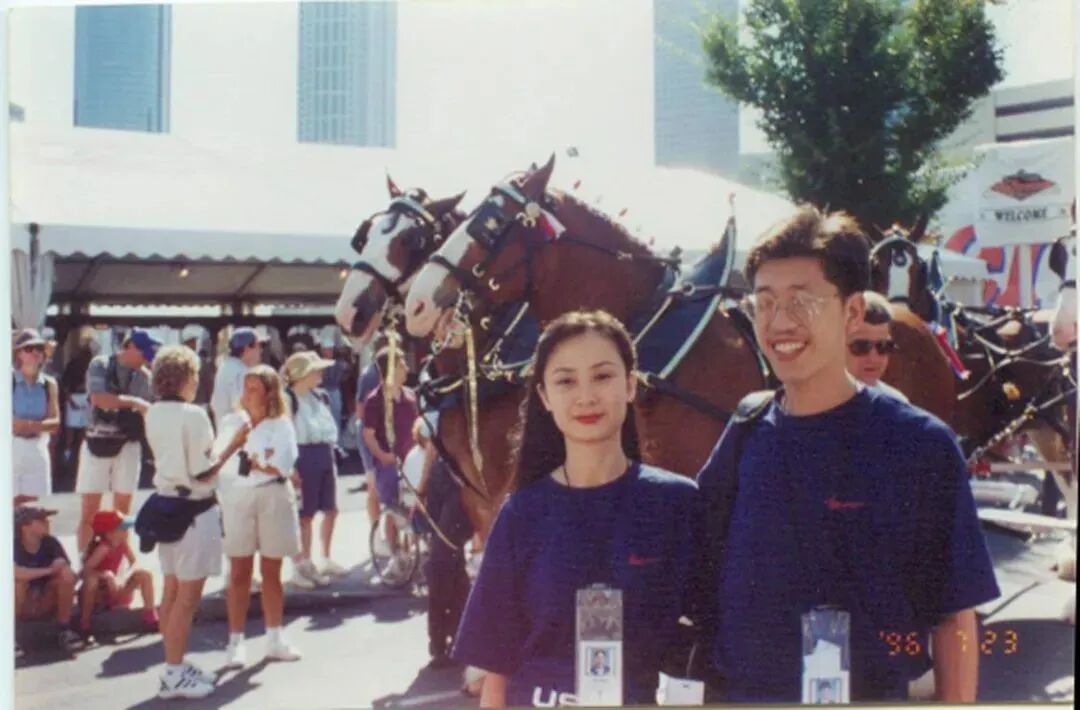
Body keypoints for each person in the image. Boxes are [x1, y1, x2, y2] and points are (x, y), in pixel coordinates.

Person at [696, 206, 999, 702]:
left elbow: (954, 616)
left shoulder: (919, 445)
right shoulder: (746, 433)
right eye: (765, 303)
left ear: (852, 312)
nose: (780, 323)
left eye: (802, 301)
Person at [452, 310, 704, 706]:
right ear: (544, 397)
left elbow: (710, 637)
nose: (586, 396)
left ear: (630, 385)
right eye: (566, 381)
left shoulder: (677, 503)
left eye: (602, 376)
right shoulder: (522, 514)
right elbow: (495, 673)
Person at [144, 344, 249, 700]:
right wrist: (234, 444)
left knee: (171, 593)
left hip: (166, 507)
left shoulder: (153, 412)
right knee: (186, 600)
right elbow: (204, 471)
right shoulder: (194, 415)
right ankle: (174, 672)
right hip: (194, 511)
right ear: (187, 378)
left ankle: (172, 666)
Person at [219, 365, 303, 669]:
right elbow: (218, 459)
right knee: (239, 573)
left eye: (254, 388)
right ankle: (235, 643)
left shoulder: (282, 425)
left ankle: (274, 640)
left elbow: (283, 465)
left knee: (272, 572)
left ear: (269, 393)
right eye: (246, 387)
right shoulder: (231, 422)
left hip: (274, 496)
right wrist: (250, 456)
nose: (247, 393)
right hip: (238, 498)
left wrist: (262, 465)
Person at [76, 328, 160, 555]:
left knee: (122, 512)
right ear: (130, 346)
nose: (145, 360)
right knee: (89, 511)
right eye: (143, 354)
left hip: (128, 444)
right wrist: (134, 403)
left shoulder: (144, 377)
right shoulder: (101, 364)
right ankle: (85, 561)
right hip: (97, 443)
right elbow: (99, 399)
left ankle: (118, 563)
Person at [410, 414, 473, 668]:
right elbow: (432, 447)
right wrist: (423, 488)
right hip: (441, 478)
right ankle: (452, 637)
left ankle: (443, 639)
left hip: (459, 482)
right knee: (450, 563)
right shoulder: (436, 404)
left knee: (440, 562)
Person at [282, 350, 345, 588]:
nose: (320, 373)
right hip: (304, 455)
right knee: (305, 515)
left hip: (324, 452)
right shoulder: (288, 399)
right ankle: (303, 565)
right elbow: (286, 434)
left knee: (331, 509)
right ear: (302, 374)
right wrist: (292, 467)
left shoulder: (320, 396)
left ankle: (325, 559)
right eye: (315, 370)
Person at [361, 347, 419, 576]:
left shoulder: (410, 396)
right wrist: (383, 456)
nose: (407, 368)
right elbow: (368, 434)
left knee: (411, 508)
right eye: (402, 365)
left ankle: (409, 552)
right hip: (388, 463)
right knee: (393, 510)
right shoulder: (374, 400)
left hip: (410, 461)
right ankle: (396, 555)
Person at [13, 506, 81, 653]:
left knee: (66, 575)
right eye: (41, 520)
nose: (47, 522)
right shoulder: (11, 545)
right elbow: (15, 573)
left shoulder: (50, 542)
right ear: (25, 525)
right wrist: (49, 570)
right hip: (21, 603)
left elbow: (64, 566)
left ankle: (64, 630)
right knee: (18, 583)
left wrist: (58, 568)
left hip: (44, 599)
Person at [77, 510, 157, 635]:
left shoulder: (122, 544)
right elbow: (85, 571)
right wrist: (105, 575)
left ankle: (150, 615)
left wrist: (122, 578)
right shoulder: (103, 548)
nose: (127, 532)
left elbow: (134, 562)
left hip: (115, 589)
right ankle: (85, 622)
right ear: (109, 533)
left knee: (144, 575)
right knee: (91, 582)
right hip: (101, 593)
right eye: (123, 529)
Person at [12, 329, 61, 502]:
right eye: (28, 349)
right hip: (11, 446)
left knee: (36, 505)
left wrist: (26, 425)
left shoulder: (49, 384)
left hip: (38, 447)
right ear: (18, 354)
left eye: (39, 348)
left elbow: (55, 423)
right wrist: (39, 425)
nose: (35, 352)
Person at [846, 292, 909, 403]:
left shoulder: (895, 405)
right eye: (861, 347)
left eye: (884, 346)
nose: (874, 358)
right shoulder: (814, 404)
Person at [210, 327, 268, 426]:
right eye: (258, 346)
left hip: (225, 429)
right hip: (238, 430)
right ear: (247, 348)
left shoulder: (225, 367)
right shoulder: (241, 372)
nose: (261, 350)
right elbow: (242, 409)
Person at [61, 335, 96, 480]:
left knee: (82, 431)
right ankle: (68, 458)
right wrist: (70, 400)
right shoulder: (73, 365)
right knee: (73, 432)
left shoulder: (93, 366)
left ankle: (79, 458)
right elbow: (65, 385)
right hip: (76, 397)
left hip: (84, 398)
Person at [354, 354, 383, 523]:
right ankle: (375, 526)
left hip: (382, 432)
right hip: (370, 431)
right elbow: (360, 409)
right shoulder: (369, 375)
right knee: (373, 483)